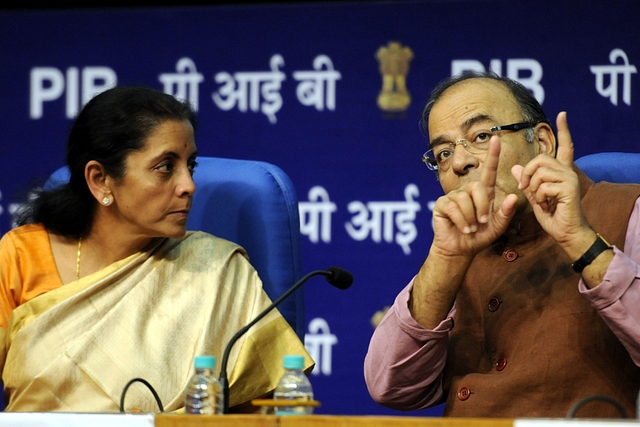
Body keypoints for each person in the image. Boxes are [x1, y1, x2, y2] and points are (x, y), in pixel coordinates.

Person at [0, 86, 312, 412]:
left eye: (189, 166)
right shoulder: (21, 255)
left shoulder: (216, 268)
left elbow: (269, 411)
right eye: (165, 167)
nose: (188, 185)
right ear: (100, 180)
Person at [364, 71, 640, 418]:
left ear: (541, 143)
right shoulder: (461, 247)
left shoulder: (630, 210)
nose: (460, 162)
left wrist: (580, 240)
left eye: (480, 136)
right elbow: (391, 386)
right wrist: (445, 257)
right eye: (444, 153)